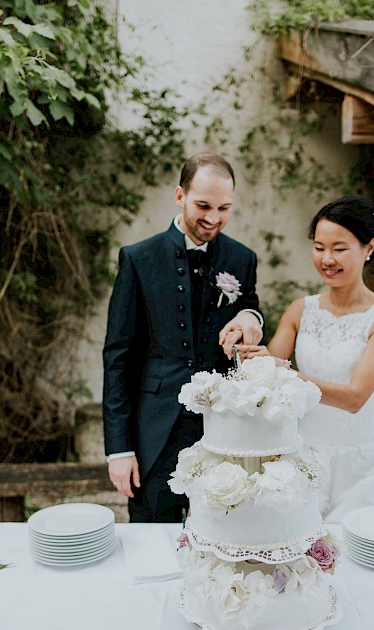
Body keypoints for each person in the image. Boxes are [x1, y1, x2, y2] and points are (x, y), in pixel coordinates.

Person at [102, 152, 264, 522]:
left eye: (224, 208)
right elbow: (118, 357)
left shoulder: (242, 258)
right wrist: (119, 449)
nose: (213, 218)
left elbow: (251, 306)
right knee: (152, 537)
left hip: (223, 429)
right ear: (180, 196)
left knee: (226, 530)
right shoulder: (138, 258)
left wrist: (248, 317)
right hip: (155, 431)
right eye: (203, 205)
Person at [238, 195, 374, 519]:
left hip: (360, 466)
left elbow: (355, 397)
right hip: (302, 458)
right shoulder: (301, 309)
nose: (327, 259)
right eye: (319, 247)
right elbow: (263, 376)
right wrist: (245, 332)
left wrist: (284, 373)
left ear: (368, 248)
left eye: (339, 248)